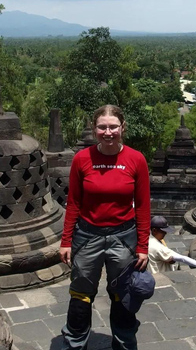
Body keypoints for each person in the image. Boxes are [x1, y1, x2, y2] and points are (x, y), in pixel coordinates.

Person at [59, 105, 151, 350]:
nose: (107, 132)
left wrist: (143, 245)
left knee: (123, 295)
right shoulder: (82, 159)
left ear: (123, 128)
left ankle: (123, 344)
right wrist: (66, 240)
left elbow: (142, 205)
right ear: (94, 128)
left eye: (113, 127)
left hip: (123, 236)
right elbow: (74, 203)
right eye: (102, 127)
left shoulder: (135, 159)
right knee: (80, 295)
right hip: (88, 235)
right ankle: (75, 344)